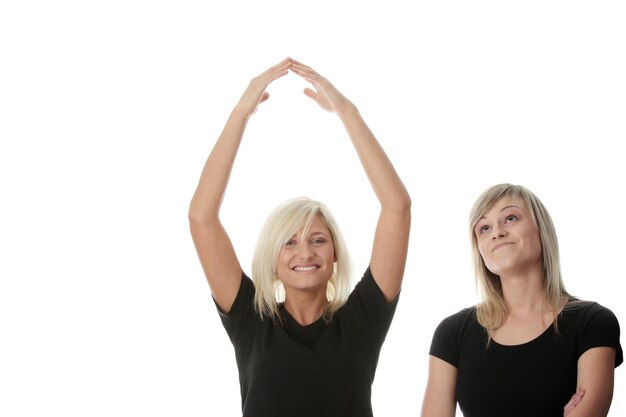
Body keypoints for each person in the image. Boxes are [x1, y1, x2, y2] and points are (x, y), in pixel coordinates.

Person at [188, 58, 411, 417]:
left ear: (335, 252)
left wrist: (346, 111)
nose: (304, 252)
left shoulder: (361, 320)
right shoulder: (251, 319)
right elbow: (201, 218)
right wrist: (240, 113)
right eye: (289, 242)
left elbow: (397, 207)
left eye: (318, 240)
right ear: (272, 259)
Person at [421, 184, 622, 417]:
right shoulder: (453, 332)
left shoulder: (593, 323)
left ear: (541, 229)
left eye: (510, 218)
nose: (496, 232)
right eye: (484, 228)